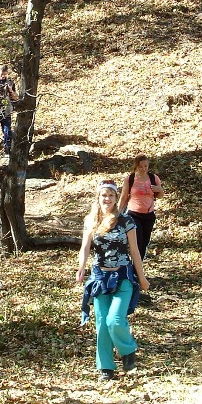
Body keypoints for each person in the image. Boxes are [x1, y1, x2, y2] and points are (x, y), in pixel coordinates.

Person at [77, 180, 149, 381]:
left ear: (116, 198)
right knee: (101, 323)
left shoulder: (126, 221)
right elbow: (84, 248)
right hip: (100, 277)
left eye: (110, 195)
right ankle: (106, 368)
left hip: (123, 276)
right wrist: (81, 267)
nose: (106, 199)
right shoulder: (91, 221)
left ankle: (128, 351)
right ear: (97, 198)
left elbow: (135, 251)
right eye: (103, 195)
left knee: (115, 319)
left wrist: (141, 278)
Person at [117, 154, 163, 261]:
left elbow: (160, 195)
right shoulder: (130, 179)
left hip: (149, 215)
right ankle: (134, 269)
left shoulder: (153, 178)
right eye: (141, 166)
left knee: (144, 243)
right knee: (138, 242)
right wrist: (117, 214)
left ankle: (137, 269)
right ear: (136, 166)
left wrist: (158, 189)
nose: (144, 169)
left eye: (146, 166)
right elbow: (123, 197)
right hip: (134, 214)